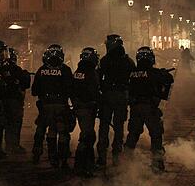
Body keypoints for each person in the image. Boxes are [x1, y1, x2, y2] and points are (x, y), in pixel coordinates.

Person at [125, 46, 174, 172]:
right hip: (149, 108)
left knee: (133, 135)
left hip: (135, 108)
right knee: (156, 135)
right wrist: (163, 73)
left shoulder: (131, 73)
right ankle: (157, 164)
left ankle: (125, 164)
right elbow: (169, 79)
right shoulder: (154, 73)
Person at [31, 44, 74, 169]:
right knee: (63, 131)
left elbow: (34, 91)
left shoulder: (41, 70)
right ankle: (63, 158)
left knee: (45, 130)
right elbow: (71, 89)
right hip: (61, 105)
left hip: (45, 106)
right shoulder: (65, 70)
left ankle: (44, 154)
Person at [96, 34, 135, 166]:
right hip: (121, 96)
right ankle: (116, 156)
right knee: (119, 127)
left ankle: (102, 156)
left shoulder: (104, 61)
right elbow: (133, 80)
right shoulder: (128, 61)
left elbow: (98, 79)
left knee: (104, 126)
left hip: (107, 96)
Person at [72, 47, 99, 177]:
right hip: (87, 107)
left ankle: (84, 164)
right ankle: (84, 165)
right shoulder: (91, 72)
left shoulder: (78, 71)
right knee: (87, 136)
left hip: (79, 107)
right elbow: (93, 91)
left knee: (87, 134)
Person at [0, 46, 31, 154]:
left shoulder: (0, 68)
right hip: (14, 101)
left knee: (5, 124)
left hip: (3, 100)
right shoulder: (16, 69)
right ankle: (13, 145)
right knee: (15, 124)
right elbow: (25, 84)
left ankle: (3, 146)